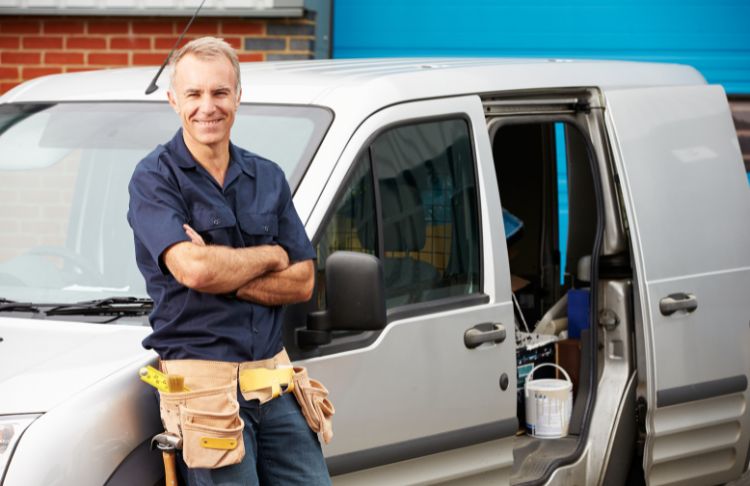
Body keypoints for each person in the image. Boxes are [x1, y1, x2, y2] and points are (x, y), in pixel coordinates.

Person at [127, 36, 331, 485]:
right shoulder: (154, 178)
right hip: (204, 393)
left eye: (220, 92)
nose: (208, 107)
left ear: (238, 96)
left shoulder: (267, 177)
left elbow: (300, 282)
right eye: (194, 94)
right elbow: (193, 270)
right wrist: (270, 255)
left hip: (274, 385)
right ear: (173, 100)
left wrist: (224, 271)